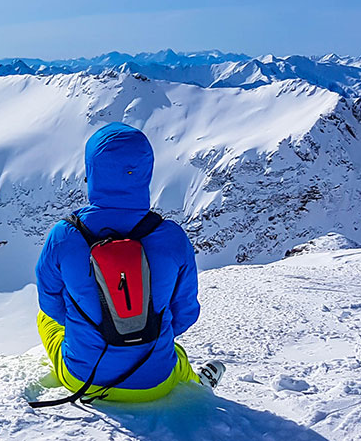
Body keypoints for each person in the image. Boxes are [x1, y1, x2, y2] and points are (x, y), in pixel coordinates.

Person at [35, 122, 222, 404]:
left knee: (45, 320)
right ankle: (197, 382)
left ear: (92, 171)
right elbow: (185, 314)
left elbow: (51, 306)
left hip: (83, 378)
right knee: (175, 354)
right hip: (154, 382)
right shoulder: (172, 237)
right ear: (146, 171)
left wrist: (93, 329)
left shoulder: (64, 235)